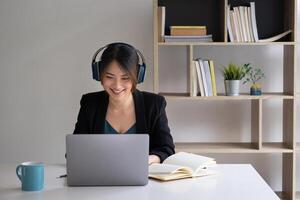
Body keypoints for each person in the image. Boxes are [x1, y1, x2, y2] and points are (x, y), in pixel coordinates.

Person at [73, 42, 175, 164]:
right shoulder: (90, 103)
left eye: (125, 78)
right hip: (99, 179)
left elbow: (167, 150)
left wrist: (148, 160)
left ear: (138, 76)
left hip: (144, 179)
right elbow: (75, 151)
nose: (117, 85)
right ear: (98, 74)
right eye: (110, 77)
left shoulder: (154, 104)